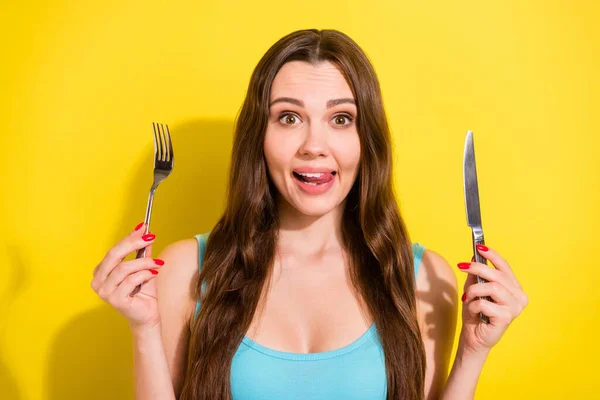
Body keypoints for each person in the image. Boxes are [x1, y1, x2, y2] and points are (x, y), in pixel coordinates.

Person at [91, 29, 528, 400]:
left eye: (341, 119)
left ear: (366, 140)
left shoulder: (422, 280)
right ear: (258, 137)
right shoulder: (187, 270)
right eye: (288, 117)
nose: (314, 145)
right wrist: (144, 330)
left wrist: (473, 352)